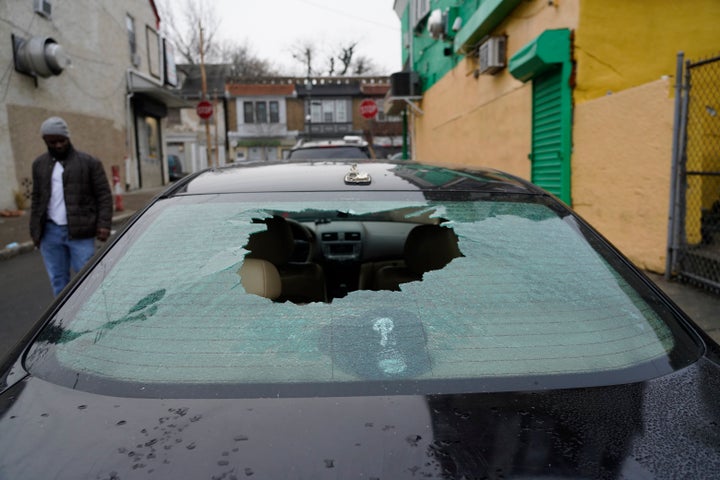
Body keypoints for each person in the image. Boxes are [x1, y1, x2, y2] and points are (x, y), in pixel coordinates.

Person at [30, 117, 113, 296]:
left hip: (81, 231)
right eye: (53, 142)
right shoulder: (39, 164)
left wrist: (104, 225)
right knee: (58, 280)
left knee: (88, 279)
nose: (58, 145)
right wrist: (35, 231)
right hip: (50, 232)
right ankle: (62, 322)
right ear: (45, 141)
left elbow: (104, 195)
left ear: (68, 138)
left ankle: (92, 315)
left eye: (62, 140)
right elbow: (37, 199)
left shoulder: (89, 162)